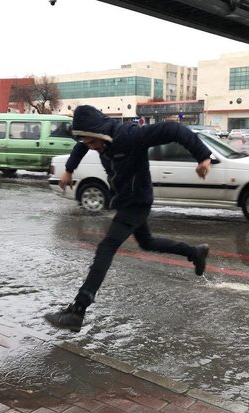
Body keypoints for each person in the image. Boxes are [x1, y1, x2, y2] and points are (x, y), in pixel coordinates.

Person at [44, 105, 213, 332]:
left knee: (106, 247)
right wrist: (69, 170)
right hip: (125, 200)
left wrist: (203, 157)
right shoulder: (96, 141)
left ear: (101, 133)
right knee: (147, 242)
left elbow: (174, 129)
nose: (92, 148)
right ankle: (194, 252)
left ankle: (78, 310)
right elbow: (81, 147)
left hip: (137, 201)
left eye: (94, 143)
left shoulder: (131, 136)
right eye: (89, 143)